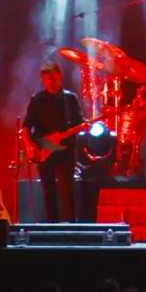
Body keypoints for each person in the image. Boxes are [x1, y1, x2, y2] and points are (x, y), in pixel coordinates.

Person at [21, 62, 87, 223]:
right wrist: (30, 147)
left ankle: (72, 228)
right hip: (44, 149)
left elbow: (79, 122)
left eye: (53, 79)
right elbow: (26, 127)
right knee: (48, 190)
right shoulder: (37, 100)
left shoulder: (70, 99)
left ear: (60, 77)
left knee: (67, 190)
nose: (50, 83)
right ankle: (51, 227)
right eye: (46, 80)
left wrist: (80, 128)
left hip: (66, 150)